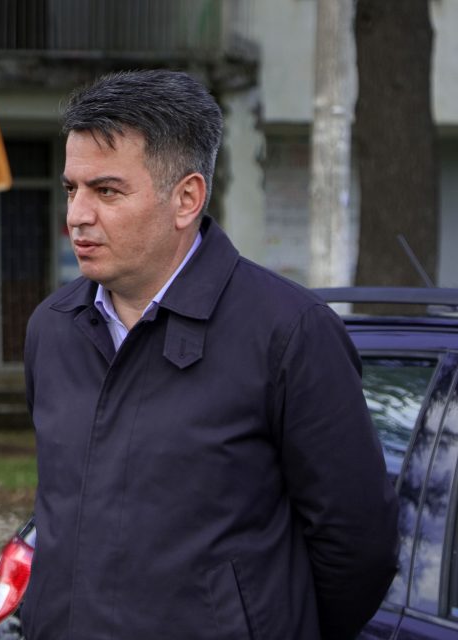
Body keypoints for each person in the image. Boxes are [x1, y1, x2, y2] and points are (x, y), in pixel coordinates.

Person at [21, 70, 398, 640]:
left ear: (187, 198)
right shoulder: (52, 329)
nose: (77, 215)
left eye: (107, 191)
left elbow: (358, 547)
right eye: (72, 189)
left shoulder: (289, 333)